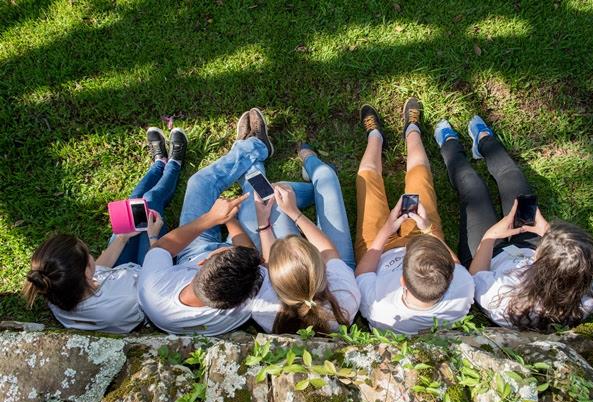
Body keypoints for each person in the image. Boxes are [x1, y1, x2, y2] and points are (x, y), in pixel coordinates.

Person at [433, 115, 593, 332]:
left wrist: (492, 234)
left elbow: (476, 276)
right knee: (513, 178)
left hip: (487, 257)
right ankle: (485, 140)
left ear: (541, 263)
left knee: (473, 189)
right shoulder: (592, 291)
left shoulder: (503, 299)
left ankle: (450, 146)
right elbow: (570, 257)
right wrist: (543, 229)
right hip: (527, 247)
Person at [23, 127, 186, 333]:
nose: (92, 254)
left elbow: (100, 269)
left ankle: (158, 163)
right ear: (86, 271)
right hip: (148, 281)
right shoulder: (122, 300)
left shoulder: (56, 288)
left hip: (122, 275)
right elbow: (157, 284)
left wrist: (122, 238)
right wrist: (153, 237)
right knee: (151, 203)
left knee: (133, 205)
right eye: (88, 253)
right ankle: (174, 163)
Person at [137, 108, 273, 336]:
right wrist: (230, 222)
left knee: (199, 183)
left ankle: (249, 149)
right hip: (241, 251)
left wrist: (211, 218)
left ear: (200, 265)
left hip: (193, 251)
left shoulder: (154, 292)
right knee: (261, 195)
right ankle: (256, 148)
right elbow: (255, 258)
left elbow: (161, 248)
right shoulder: (250, 298)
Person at [355, 98, 475, 335]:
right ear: (449, 278)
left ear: (402, 282)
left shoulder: (379, 309)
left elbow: (362, 273)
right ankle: (412, 130)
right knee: (420, 176)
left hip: (379, 251)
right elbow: (458, 264)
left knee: (367, 182)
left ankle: (375, 136)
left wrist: (388, 228)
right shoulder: (462, 293)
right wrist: (428, 229)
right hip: (426, 238)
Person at [249, 145, 359, 334]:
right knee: (326, 176)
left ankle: (308, 189)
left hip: (318, 273)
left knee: (274, 194)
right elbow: (330, 251)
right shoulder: (344, 297)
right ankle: (311, 163)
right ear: (320, 264)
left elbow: (268, 264)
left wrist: (263, 224)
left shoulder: (263, 309)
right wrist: (294, 213)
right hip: (340, 267)